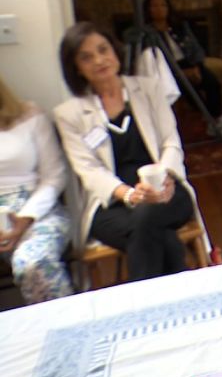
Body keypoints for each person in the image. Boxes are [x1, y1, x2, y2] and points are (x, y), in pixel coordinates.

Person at [54, 22, 208, 281]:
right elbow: (89, 171)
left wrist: (163, 180)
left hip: (166, 191)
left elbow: (171, 140)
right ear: (76, 68)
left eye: (103, 50)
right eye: (86, 57)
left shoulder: (149, 88)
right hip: (112, 202)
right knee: (160, 234)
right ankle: (184, 293)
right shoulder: (69, 115)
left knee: (148, 217)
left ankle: (140, 307)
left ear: (115, 51)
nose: (99, 60)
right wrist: (130, 195)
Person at [0, 76, 74, 303]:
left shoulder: (30, 114)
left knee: (33, 262)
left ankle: (67, 329)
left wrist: (26, 217)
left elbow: (55, 175)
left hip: (38, 210)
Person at [143, 0, 222, 140]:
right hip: (167, 71)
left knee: (212, 83)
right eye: (154, 6)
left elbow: (196, 48)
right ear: (148, 10)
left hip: (189, 63)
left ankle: (214, 119)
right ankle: (214, 123)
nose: (159, 9)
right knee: (190, 89)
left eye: (163, 5)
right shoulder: (147, 34)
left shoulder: (180, 26)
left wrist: (197, 67)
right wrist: (181, 73)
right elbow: (152, 61)